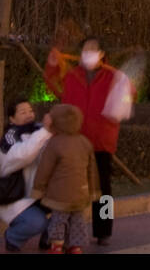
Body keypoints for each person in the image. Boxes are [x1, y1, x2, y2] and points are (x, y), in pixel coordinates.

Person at [44, 35, 127, 247]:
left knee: (104, 190)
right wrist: (53, 65)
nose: (88, 53)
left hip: (101, 141)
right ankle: (56, 232)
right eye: (85, 49)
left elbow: (126, 98)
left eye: (93, 49)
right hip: (74, 140)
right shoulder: (72, 75)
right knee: (64, 186)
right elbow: (53, 86)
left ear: (102, 54)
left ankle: (104, 230)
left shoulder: (113, 77)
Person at [32, 103, 100, 254]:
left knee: (58, 219)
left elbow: (45, 169)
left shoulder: (54, 143)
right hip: (81, 192)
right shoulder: (85, 142)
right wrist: (94, 191)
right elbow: (92, 170)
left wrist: (38, 189)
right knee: (77, 219)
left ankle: (56, 246)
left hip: (60, 194)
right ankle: (76, 246)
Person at [0, 100, 53, 252]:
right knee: (37, 223)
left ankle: (50, 238)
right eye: (23, 112)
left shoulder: (39, 129)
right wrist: (45, 131)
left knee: (68, 203)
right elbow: (24, 155)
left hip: (37, 192)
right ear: (12, 119)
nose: (29, 115)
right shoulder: (10, 137)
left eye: (30, 111)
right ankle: (13, 236)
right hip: (16, 197)